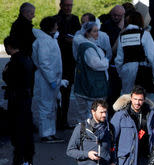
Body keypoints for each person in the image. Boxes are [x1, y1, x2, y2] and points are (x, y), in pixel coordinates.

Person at [1, 36, 35, 165]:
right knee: (25, 132)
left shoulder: (15, 62)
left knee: (18, 133)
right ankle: (27, 161)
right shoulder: (27, 59)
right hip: (25, 100)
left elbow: (8, 77)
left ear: (9, 47)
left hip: (17, 101)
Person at [31, 16, 65, 144]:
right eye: (55, 24)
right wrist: (51, 79)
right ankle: (46, 134)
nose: (57, 27)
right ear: (51, 26)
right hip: (45, 79)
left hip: (50, 78)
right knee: (46, 107)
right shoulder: (43, 41)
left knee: (51, 107)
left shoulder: (49, 39)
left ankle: (50, 133)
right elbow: (44, 63)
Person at [73, 22, 109, 122]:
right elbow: (96, 64)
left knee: (85, 113)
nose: (97, 33)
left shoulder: (86, 46)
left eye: (97, 31)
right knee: (93, 113)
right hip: (92, 85)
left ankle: (86, 134)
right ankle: (91, 135)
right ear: (87, 33)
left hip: (86, 84)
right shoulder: (88, 48)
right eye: (94, 31)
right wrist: (106, 61)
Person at [54, 0, 81, 129]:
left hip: (71, 61)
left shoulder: (75, 19)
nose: (68, 8)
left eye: (70, 5)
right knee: (57, 93)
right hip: (59, 59)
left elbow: (79, 35)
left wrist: (73, 40)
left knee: (66, 93)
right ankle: (58, 119)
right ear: (61, 6)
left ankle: (63, 120)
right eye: (66, 5)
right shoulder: (56, 19)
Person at [115, 11, 154, 95]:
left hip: (127, 70)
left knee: (127, 97)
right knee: (142, 98)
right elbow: (152, 57)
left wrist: (121, 73)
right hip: (142, 70)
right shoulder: (145, 34)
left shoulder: (122, 35)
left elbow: (119, 59)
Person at [101, 5, 126, 112]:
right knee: (112, 92)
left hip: (122, 61)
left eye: (119, 16)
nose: (116, 17)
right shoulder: (106, 26)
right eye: (114, 15)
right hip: (111, 62)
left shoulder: (126, 24)